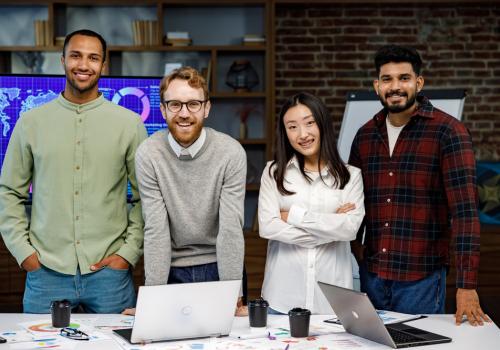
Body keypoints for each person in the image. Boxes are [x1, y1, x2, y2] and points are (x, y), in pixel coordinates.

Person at [0, 29, 147, 313]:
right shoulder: (30, 123)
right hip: (46, 272)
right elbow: (8, 193)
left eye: (93, 58)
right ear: (62, 60)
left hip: (110, 275)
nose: (83, 65)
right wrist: (24, 253)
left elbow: (147, 197)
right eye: (76, 56)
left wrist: (127, 255)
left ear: (104, 65)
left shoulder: (130, 125)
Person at [349, 45, 490, 326]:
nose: (395, 86)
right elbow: (354, 200)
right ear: (377, 86)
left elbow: (465, 213)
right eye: (387, 79)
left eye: (404, 78)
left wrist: (467, 284)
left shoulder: (448, 132)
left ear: (419, 83)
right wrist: (355, 247)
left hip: (421, 280)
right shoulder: (365, 135)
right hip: (372, 275)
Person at [134, 66, 247, 314]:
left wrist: (233, 294)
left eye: (193, 104)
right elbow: (156, 228)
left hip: (219, 266)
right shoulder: (148, 154)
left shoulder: (231, 152)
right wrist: (153, 297)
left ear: (206, 108)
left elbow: (230, 229)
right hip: (171, 269)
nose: (184, 113)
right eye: (175, 104)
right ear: (162, 109)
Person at [258, 92, 365, 314]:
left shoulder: (351, 176)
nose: (302, 134)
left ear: (322, 124)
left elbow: (350, 230)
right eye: (292, 126)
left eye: (309, 123)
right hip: (282, 299)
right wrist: (332, 226)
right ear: (285, 132)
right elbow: (268, 226)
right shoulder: (273, 173)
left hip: (333, 301)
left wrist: (293, 217)